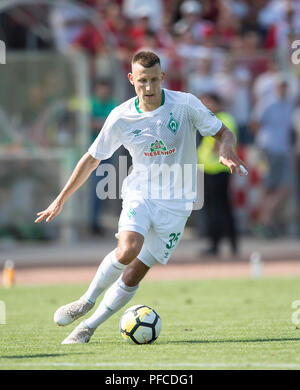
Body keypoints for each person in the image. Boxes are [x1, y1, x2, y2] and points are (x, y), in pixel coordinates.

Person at [34, 50, 246, 344]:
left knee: (134, 273)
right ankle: (86, 300)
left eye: (153, 80)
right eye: (142, 81)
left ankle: (88, 328)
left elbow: (224, 133)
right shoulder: (121, 116)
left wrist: (226, 149)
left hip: (178, 204)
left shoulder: (185, 105)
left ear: (163, 78)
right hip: (141, 194)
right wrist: (60, 199)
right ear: (132, 79)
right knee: (127, 249)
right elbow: (91, 159)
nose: (148, 88)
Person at [197, 93, 239, 257]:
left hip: (217, 170)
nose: (204, 106)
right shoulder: (213, 119)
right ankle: (224, 244)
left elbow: (217, 146)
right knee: (219, 208)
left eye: (207, 102)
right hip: (210, 169)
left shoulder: (222, 119)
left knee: (219, 209)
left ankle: (220, 244)